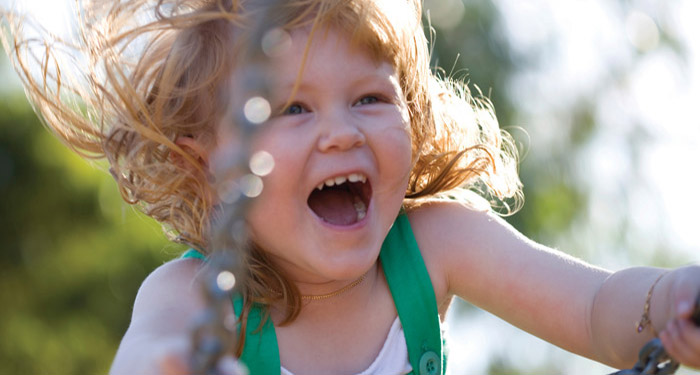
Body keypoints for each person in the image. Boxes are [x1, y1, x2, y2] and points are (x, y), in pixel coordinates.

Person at [2, 0, 699, 374]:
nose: (340, 133)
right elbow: (148, 353)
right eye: (292, 109)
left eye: (369, 98)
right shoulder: (194, 297)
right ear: (205, 166)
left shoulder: (436, 246)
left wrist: (672, 300)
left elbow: (595, 309)